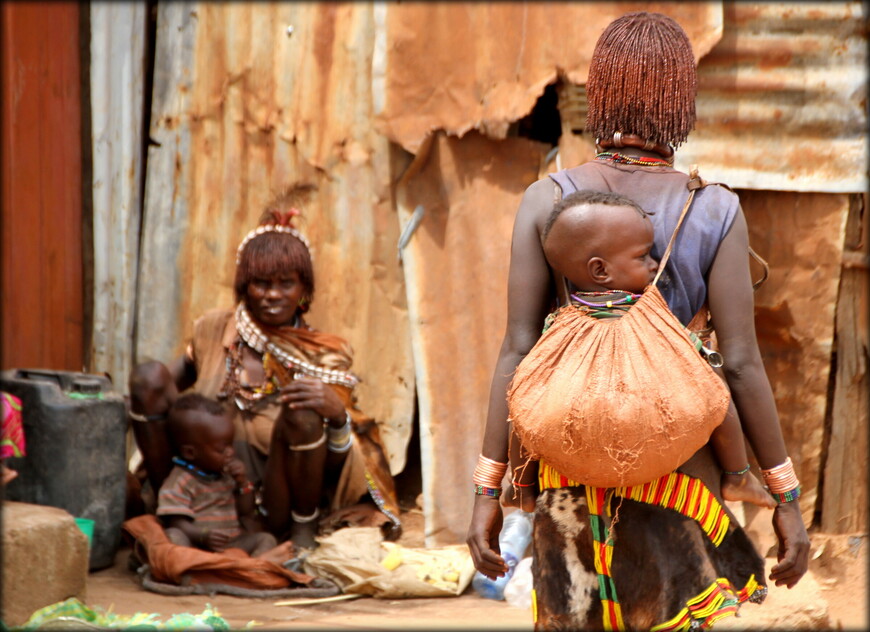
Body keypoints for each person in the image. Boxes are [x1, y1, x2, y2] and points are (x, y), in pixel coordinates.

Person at [466, 11, 809, 630]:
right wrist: (784, 496)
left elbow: (517, 351)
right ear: (681, 99)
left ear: (598, 93)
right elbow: (741, 363)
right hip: (683, 477)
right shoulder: (715, 207)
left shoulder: (548, 199)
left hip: (570, 477)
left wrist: (488, 491)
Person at [130, 186, 401, 549]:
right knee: (146, 376)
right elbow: (159, 391)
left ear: (304, 291)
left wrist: (336, 416)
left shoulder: (325, 354)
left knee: (303, 414)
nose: (273, 294)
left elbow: (338, 465)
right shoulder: (215, 330)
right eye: (261, 283)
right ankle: (174, 515)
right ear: (244, 287)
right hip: (202, 490)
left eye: (286, 284)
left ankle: (300, 534)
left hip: (277, 503)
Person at [510, 189, 775, 510]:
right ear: (600, 271)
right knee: (715, 389)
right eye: (643, 257)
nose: (653, 265)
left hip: (572, 429)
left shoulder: (560, 321)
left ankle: (522, 485)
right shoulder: (648, 311)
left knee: (522, 406)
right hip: (646, 431)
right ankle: (737, 475)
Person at [156, 392, 292, 560]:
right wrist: (202, 536)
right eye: (222, 449)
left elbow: (245, 510)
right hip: (197, 547)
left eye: (231, 444)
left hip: (232, 544)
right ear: (190, 452)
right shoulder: (180, 482)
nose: (231, 452)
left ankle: (252, 569)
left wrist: (243, 482)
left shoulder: (226, 475)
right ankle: (194, 574)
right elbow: (177, 523)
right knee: (174, 536)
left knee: (266, 539)